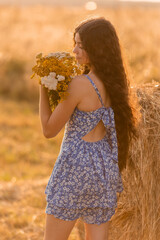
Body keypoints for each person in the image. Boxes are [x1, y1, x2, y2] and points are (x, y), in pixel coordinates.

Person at [40, 17, 137, 240]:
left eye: (81, 45)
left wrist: (43, 89)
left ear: (97, 48)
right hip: (102, 171)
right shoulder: (117, 85)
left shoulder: (80, 85)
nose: (74, 50)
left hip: (74, 170)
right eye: (75, 43)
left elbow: (48, 130)